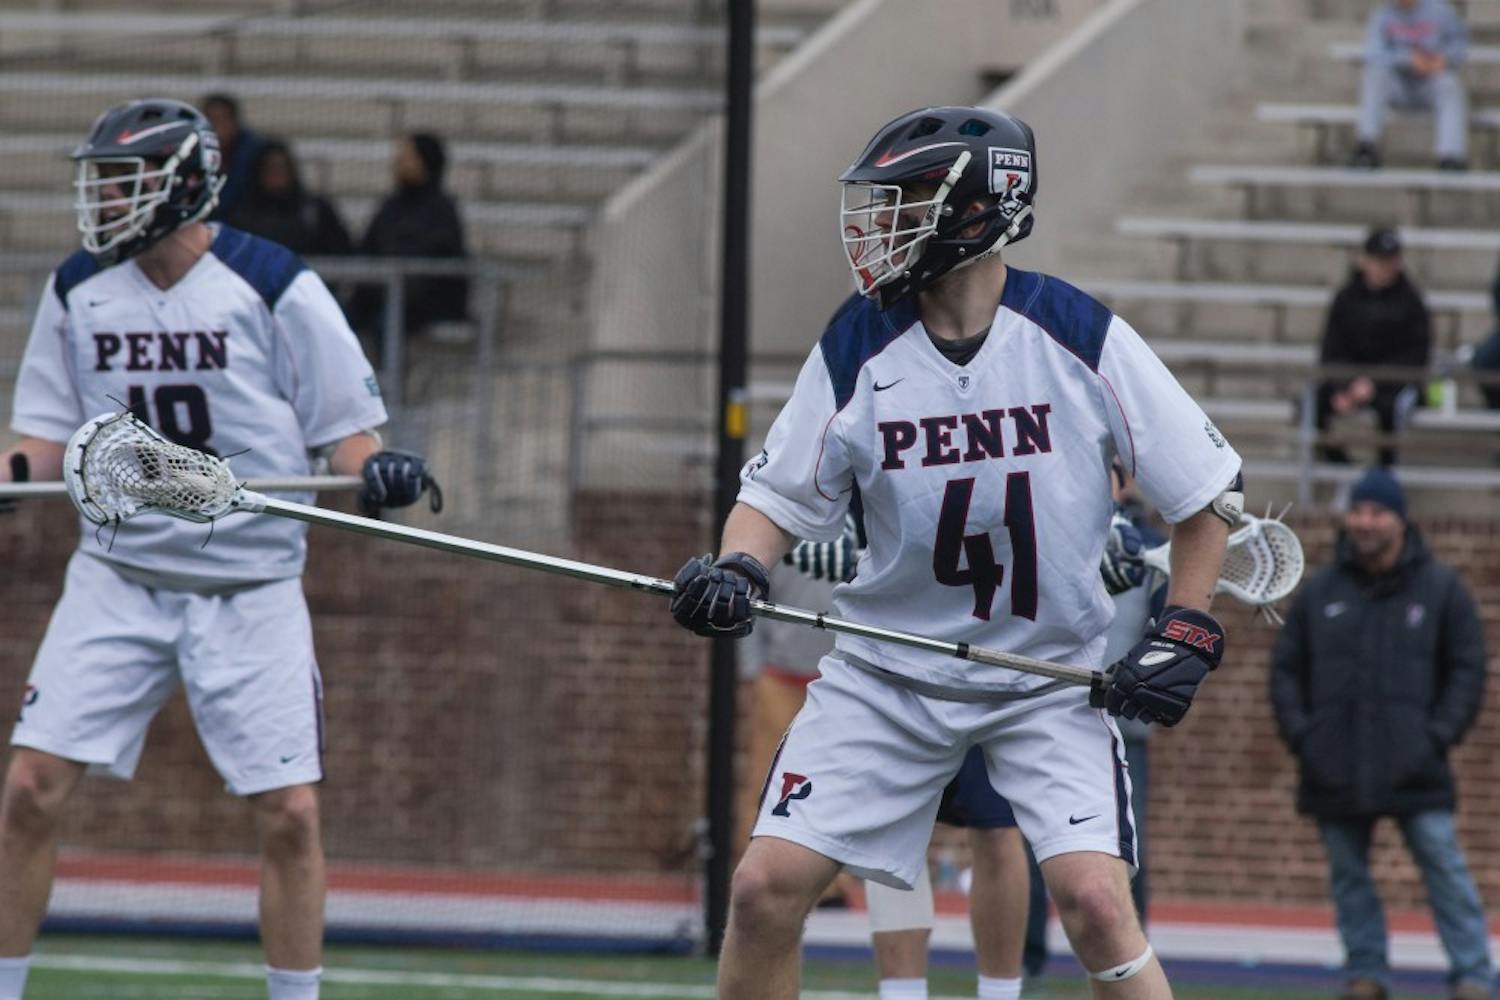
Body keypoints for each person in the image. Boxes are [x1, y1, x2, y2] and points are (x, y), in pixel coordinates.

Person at [670, 105, 1243, 1000]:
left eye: (905, 200)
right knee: (760, 891)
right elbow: (774, 496)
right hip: (887, 674)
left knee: (1096, 903)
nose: (879, 224)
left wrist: (1187, 634)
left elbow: (1205, 501)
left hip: (1046, 680)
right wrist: (737, 566)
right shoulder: (858, 341)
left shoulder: (1077, 334)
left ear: (979, 212)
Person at [0, 98, 442, 1000]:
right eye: (104, 181)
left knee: (287, 813)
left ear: (188, 184)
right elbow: (40, 437)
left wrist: (379, 471)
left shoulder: (274, 282)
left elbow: (349, 435)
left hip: (250, 583)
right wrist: (8, 478)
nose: (109, 198)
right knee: (28, 791)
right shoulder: (78, 286)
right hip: (117, 576)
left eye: (127, 180)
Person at [1270, 468, 1491, 1000]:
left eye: (1376, 512)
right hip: (1335, 766)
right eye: (1358, 511)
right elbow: (1285, 671)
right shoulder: (1321, 590)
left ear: (1400, 519)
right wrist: (1305, 738)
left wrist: (1437, 735)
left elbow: (1468, 666)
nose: (1364, 522)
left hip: (1417, 765)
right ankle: (1365, 974)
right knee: (1349, 878)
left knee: (1445, 868)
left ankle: (1473, 977)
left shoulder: (1440, 588)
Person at [1025, 464, 1165, 980]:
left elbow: (1164, 625)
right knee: (1033, 848)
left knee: (1126, 852)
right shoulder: (1049, 525)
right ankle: (1028, 965)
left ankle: (1128, 959)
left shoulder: (1148, 547)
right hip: (1048, 707)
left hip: (1122, 719)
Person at [1313, 227, 1431, 466]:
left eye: (1390, 261)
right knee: (1314, 401)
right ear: (1364, 261)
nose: (1385, 267)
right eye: (1379, 260)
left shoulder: (1410, 301)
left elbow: (1417, 355)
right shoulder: (1346, 299)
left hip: (1393, 383)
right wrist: (1345, 385)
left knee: (1392, 409)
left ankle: (1384, 472)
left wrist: (1374, 383)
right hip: (1351, 382)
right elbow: (1331, 350)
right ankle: (1338, 465)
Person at [350, 132, 469, 346]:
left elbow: (439, 257)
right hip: (379, 294)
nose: (398, 162)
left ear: (425, 162)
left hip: (421, 303)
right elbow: (367, 247)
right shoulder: (390, 207)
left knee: (385, 323)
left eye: (407, 157)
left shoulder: (441, 209)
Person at [1350, 0, 1469, 171]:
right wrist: (1409, 59)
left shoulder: (1441, 10)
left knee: (1450, 84)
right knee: (1374, 74)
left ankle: (1451, 156)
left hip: (1431, 83)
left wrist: (1444, 59)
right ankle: (1366, 146)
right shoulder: (1382, 14)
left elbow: (1460, 45)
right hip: (1398, 86)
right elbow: (1374, 54)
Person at [229, 138, 354, 258]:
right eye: (270, 168)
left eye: (282, 167)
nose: (277, 174)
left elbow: (341, 252)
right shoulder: (243, 216)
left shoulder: (316, 212)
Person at [202, 93, 263, 220]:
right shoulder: (189, 156)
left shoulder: (256, 158)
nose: (217, 127)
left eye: (222, 119)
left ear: (235, 123)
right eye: (212, 120)